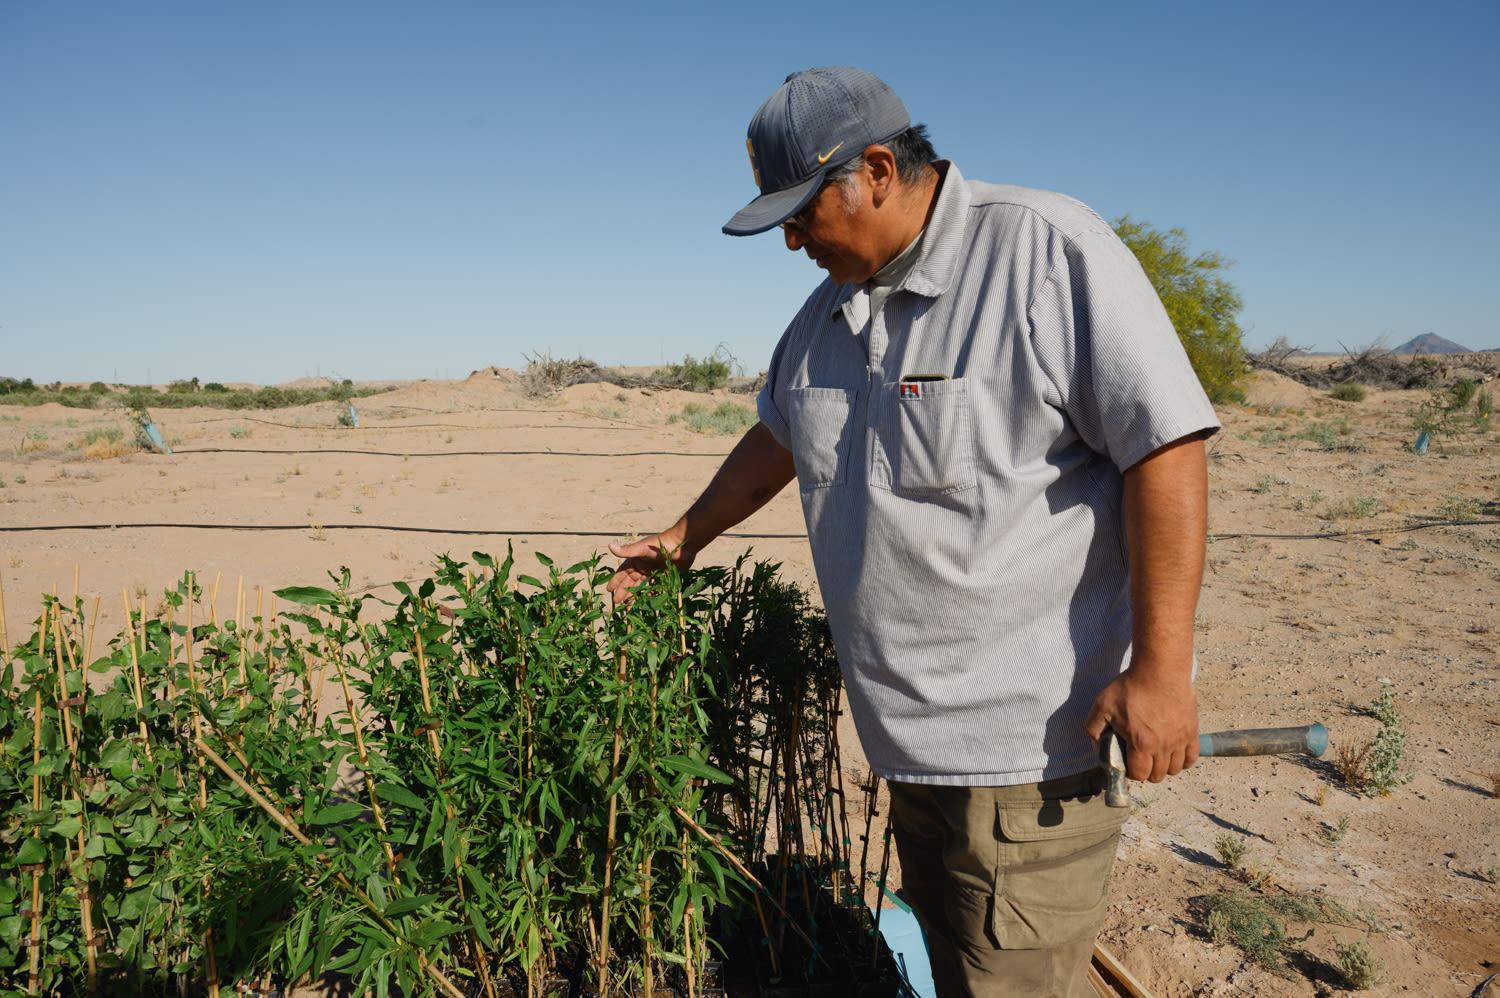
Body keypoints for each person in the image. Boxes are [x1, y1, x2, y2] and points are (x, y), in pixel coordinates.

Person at [608, 66, 1220, 998]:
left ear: (880, 169)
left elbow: (1165, 450)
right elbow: (781, 430)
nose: (791, 242)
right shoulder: (827, 316)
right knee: (953, 974)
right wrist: (685, 535)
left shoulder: (1045, 253)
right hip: (905, 753)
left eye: (801, 215)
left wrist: (1163, 673)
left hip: (1031, 759)